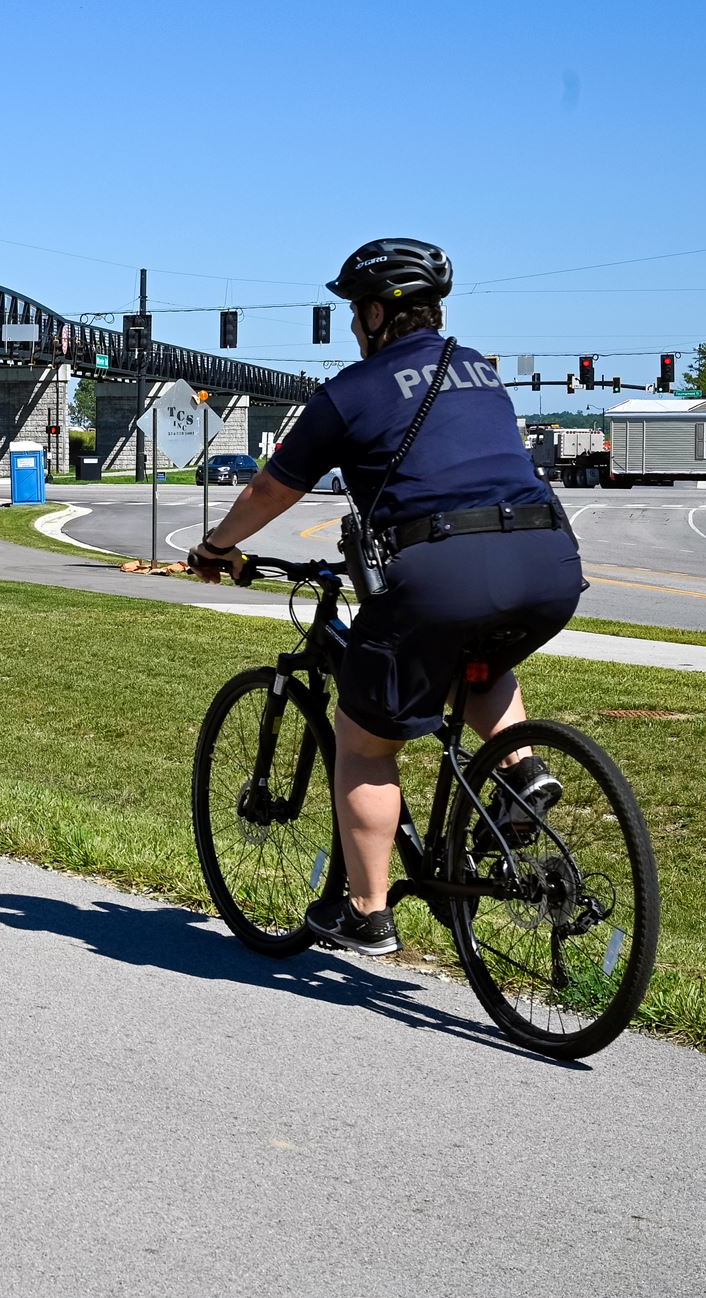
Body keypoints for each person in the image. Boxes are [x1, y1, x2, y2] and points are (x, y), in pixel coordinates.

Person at [189, 237, 580, 956]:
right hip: (549, 562)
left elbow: (272, 490)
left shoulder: (351, 391)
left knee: (366, 743)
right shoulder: (482, 372)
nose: (351, 327)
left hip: (440, 570)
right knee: (479, 663)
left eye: (353, 313)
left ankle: (367, 912)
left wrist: (216, 546)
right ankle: (525, 772)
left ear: (374, 312)